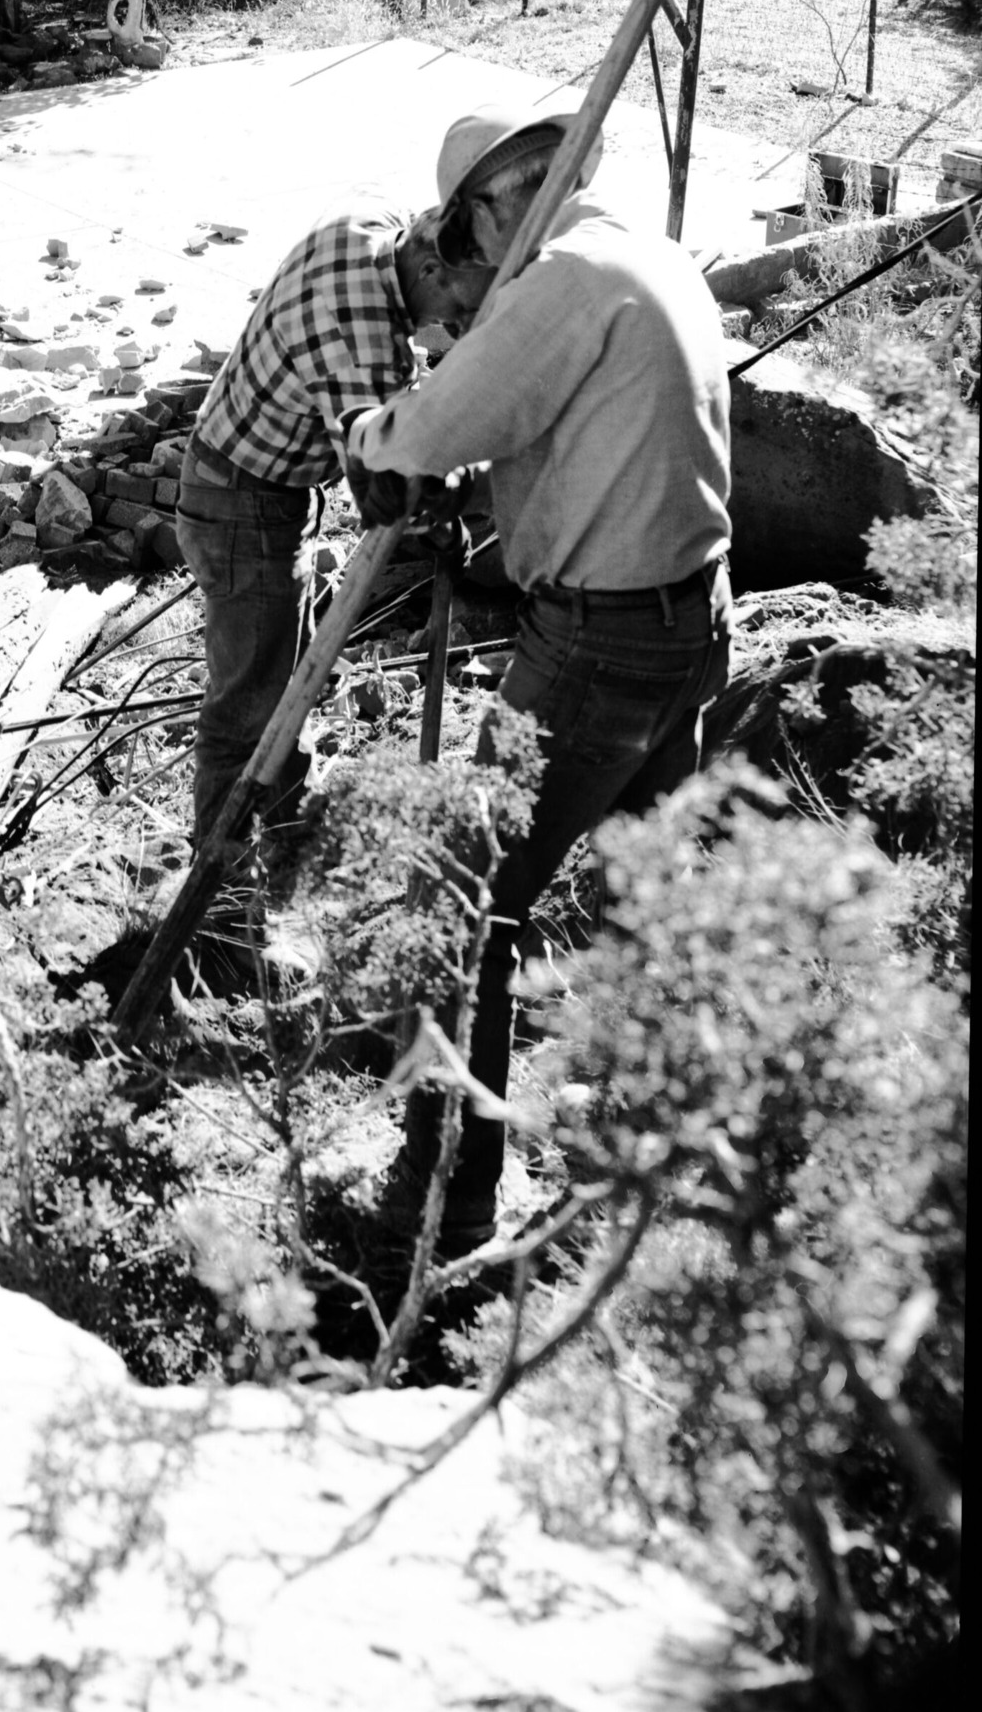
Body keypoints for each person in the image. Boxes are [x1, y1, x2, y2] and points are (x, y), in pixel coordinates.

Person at [343, 102, 734, 1259]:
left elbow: (433, 427)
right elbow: (571, 433)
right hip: (688, 623)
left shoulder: (562, 274)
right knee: (646, 904)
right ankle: (672, 1165)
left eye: (467, 234)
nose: (466, 262)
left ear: (500, 200)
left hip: (600, 643)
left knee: (450, 911)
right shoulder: (644, 251)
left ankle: (444, 1202)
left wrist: (372, 438)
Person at [177, 192, 493, 881]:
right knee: (248, 702)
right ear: (434, 269)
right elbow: (386, 485)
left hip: (242, 476)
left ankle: (292, 834)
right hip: (240, 505)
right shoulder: (363, 339)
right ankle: (220, 887)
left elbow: (395, 398)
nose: (464, 322)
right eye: (464, 305)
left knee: (281, 678)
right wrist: (455, 491)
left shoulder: (374, 229)